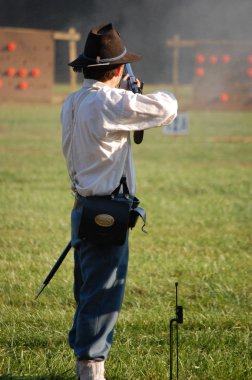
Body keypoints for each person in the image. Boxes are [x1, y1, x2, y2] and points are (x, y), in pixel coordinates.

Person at [61, 23, 178, 380]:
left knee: (89, 289)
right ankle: (91, 369)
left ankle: (85, 353)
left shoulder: (74, 100)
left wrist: (127, 91)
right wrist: (132, 92)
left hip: (84, 208)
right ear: (115, 70)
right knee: (103, 293)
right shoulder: (109, 101)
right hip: (106, 211)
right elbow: (167, 108)